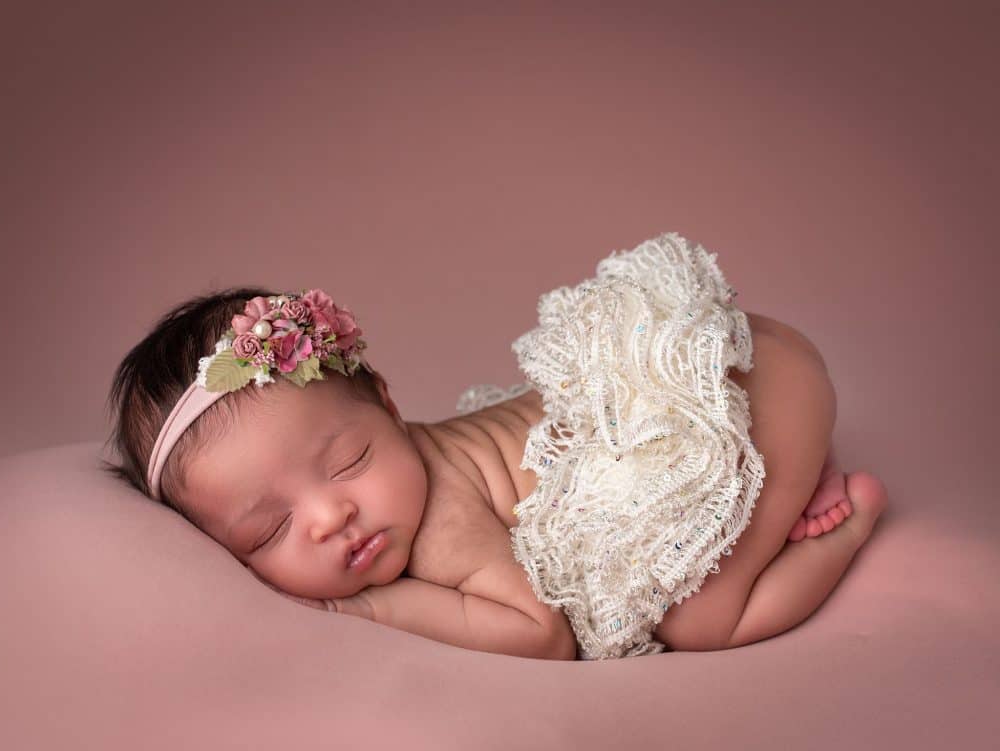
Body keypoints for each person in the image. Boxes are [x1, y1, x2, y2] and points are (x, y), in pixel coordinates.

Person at [103, 232, 888, 661]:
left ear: (388, 404)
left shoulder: (440, 515)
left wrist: (365, 605)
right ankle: (782, 481)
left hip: (747, 378)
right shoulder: (394, 488)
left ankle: (848, 516)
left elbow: (537, 632)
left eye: (350, 462)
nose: (330, 515)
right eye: (267, 531)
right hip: (738, 384)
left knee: (702, 621)